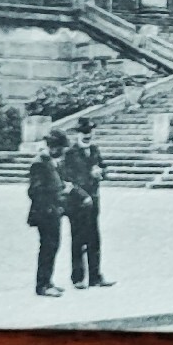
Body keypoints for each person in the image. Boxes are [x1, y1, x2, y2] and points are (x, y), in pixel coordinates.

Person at [28, 129, 86, 297]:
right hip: (45, 212)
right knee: (47, 248)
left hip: (53, 211)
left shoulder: (50, 161)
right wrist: (56, 194)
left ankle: (48, 281)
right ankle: (43, 285)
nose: (62, 152)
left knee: (52, 247)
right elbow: (34, 191)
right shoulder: (40, 163)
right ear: (54, 147)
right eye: (61, 148)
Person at [62, 117, 114, 289]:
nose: (87, 135)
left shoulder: (94, 150)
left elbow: (104, 168)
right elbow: (67, 179)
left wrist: (102, 172)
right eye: (84, 132)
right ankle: (77, 277)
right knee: (78, 240)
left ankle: (95, 276)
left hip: (93, 201)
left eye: (90, 132)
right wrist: (82, 195)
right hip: (77, 203)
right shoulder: (70, 153)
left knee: (94, 239)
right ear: (78, 134)